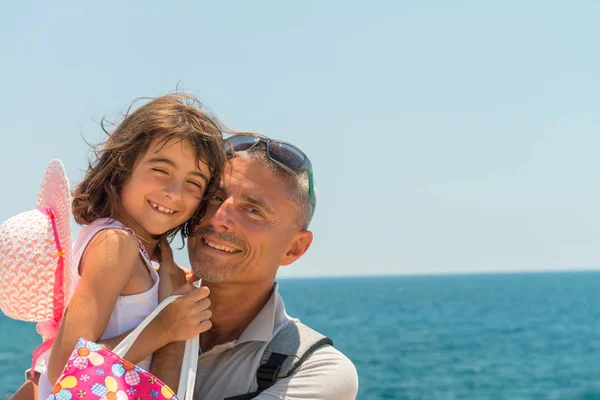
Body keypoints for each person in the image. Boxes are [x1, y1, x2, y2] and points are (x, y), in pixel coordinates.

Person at [32, 94, 226, 400]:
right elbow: (65, 369)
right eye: (161, 170)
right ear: (123, 164)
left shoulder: (135, 250)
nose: (174, 193)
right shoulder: (116, 243)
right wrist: (164, 328)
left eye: (194, 183)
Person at [153, 133, 359, 399]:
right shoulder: (132, 304)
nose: (219, 218)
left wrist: (171, 329)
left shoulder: (316, 370)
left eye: (253, 210)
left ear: (294, 248)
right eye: (215, 197)